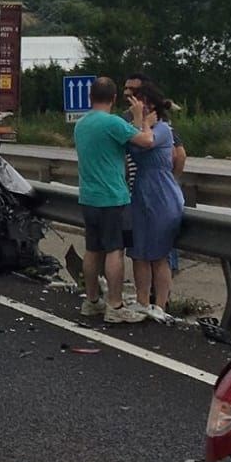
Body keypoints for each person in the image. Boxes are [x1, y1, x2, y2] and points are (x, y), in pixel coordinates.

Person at [75, 77, 155, 322]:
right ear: (113, 99)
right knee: (114, 250)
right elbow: (146, 142)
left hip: (88, 196)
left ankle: (91, 301)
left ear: (90, 97)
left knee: (92, 250)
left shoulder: (81, 124)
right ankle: (115, 306)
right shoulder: (112, 123)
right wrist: (143, 119)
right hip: (112, 197)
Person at [125, 81, 184, 322]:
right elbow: (132, 140)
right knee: (138, 252)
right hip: (140, 193)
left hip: (161, 194)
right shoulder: (139, 127)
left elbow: (146, 141)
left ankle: (160, 304)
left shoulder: (162, 130)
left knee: (159, 255)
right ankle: (142, 301)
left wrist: (143, 121)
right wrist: (138, 122)